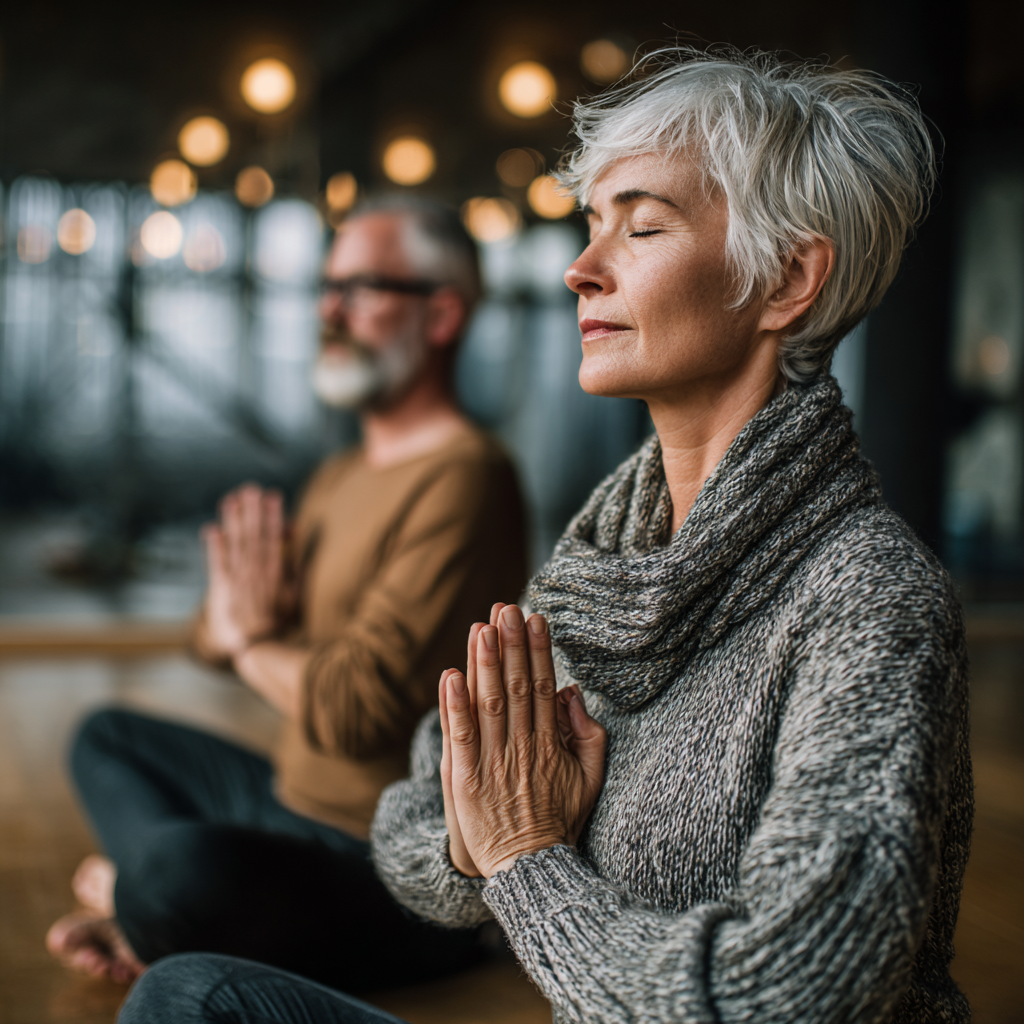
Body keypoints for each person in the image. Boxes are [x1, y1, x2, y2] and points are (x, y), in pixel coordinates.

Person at [119, 46, 972, 1024]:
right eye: (590, 225)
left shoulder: (869, 598)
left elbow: (778, 996)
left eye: (641, 227)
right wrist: (494, 828)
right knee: (192, 993)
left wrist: (524, 859)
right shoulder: (600, 557)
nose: (579, 269)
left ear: (786, 279)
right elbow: (410, 828)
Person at [47, 198, 528, 991]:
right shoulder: (341, 475)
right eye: (326, 285)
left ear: (442, 314)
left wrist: (250, 643)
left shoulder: (468, 477)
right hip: (284, 803)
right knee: (107, 738)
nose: (327, 310)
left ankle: (149, 906)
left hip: (392, 868)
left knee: (180, 870)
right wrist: (244, 634)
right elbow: (211, 632)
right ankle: (152, 910)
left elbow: (352, 708)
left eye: (362, 287)